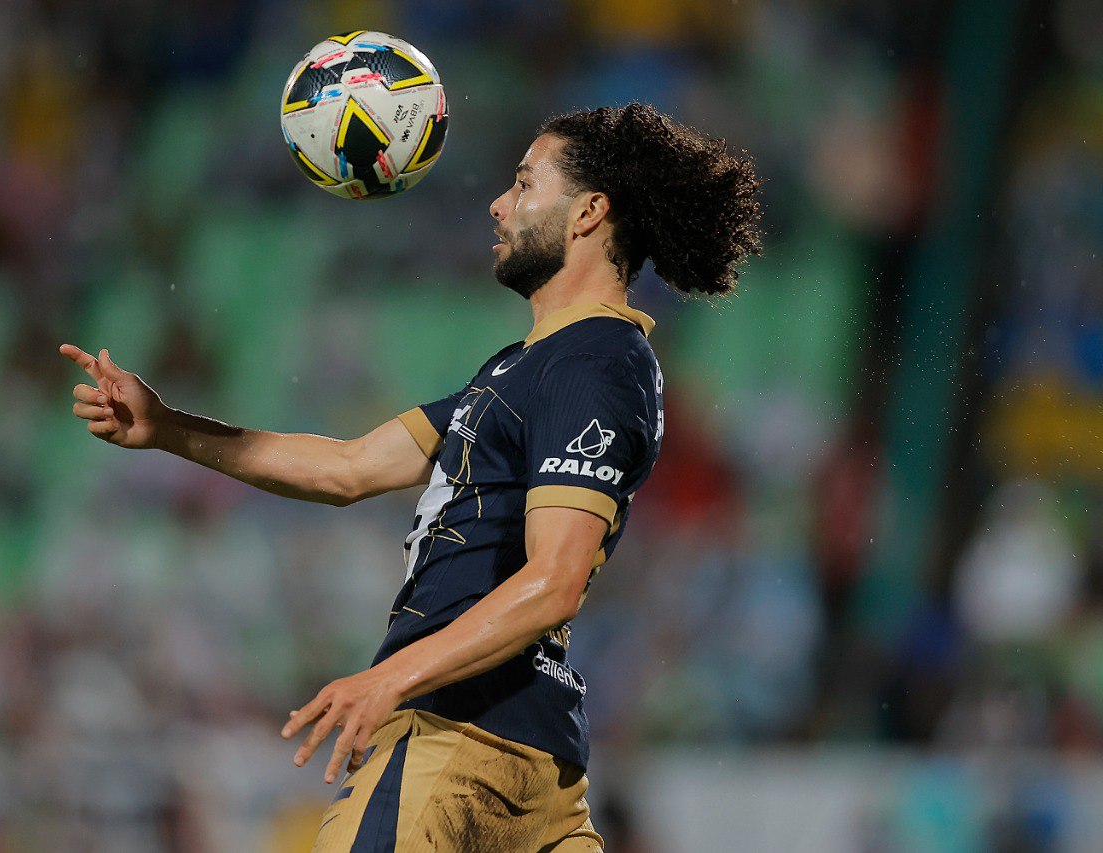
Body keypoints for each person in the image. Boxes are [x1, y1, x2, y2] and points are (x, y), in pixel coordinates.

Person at [60, 102, 761, 851]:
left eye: (525, 183)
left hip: (455, 741)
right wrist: (168, 428)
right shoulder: (521, 368)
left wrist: (395, 675)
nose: (499, 202)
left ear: (589, 212)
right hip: (535, 765)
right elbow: (348, 467)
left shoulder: (593, 363)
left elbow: (555, 577)